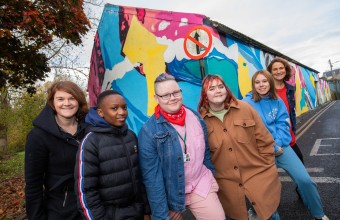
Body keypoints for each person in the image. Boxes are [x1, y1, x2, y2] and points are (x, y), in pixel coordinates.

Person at [243, 70, 329, 220]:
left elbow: (284, 125)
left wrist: (277, 145)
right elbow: (247, 132)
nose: (261, 85)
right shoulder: (245, 103)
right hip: (260, 151)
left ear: (270, 82)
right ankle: (255, 210)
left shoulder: (278, 101)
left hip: (281, 147)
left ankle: (319, 214)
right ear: (253, 85)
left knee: (305, 180)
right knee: (258, 187)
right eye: (257, 82)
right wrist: (269, 147)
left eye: (264, 81)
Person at [138, 73, 225, 220]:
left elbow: (206, 153)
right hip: (170, 194)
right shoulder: (148, 131)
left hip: (199, 183)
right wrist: (164, 212)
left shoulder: (195, 116)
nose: (172, 98)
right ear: (156, 98)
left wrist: (210, 174)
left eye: (175, 92)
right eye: (165, 95)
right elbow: (152, 178)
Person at [197, 74, 281, 220]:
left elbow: (265, 140)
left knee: (269, 215)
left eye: (220, 87)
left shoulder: (245, 108)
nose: (217, 91)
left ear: (226, 89)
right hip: (227, 188)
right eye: (211, 88)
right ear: (205, 94)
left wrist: (268, 166)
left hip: (259, 178)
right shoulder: (199, 121)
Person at [74, 90, 150, 220]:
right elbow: (86, 191)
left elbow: (139, 177)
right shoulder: (91, 142)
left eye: (124, 108)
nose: (121, 112)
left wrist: (145, 210)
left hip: (136, 212)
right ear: (100, 113)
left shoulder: (130, 136)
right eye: (114, 108)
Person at [25, 81, 89, 220]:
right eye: (60, 99)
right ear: (52, 103)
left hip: (92, 208)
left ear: (78, 101)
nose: (67, 103)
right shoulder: (38, 136)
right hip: (60, 211)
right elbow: (33, 185)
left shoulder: (89, 130)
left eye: (72, 98)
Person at [266, 57, 304, 163]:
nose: (279, 71)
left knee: (300, 164)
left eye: (281, 68)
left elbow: (291, 112)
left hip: (288, 136)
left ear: (285, 70)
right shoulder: (265, 90)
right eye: (275, 69)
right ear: (270, 72)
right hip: (271, 138)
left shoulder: (290, 89)